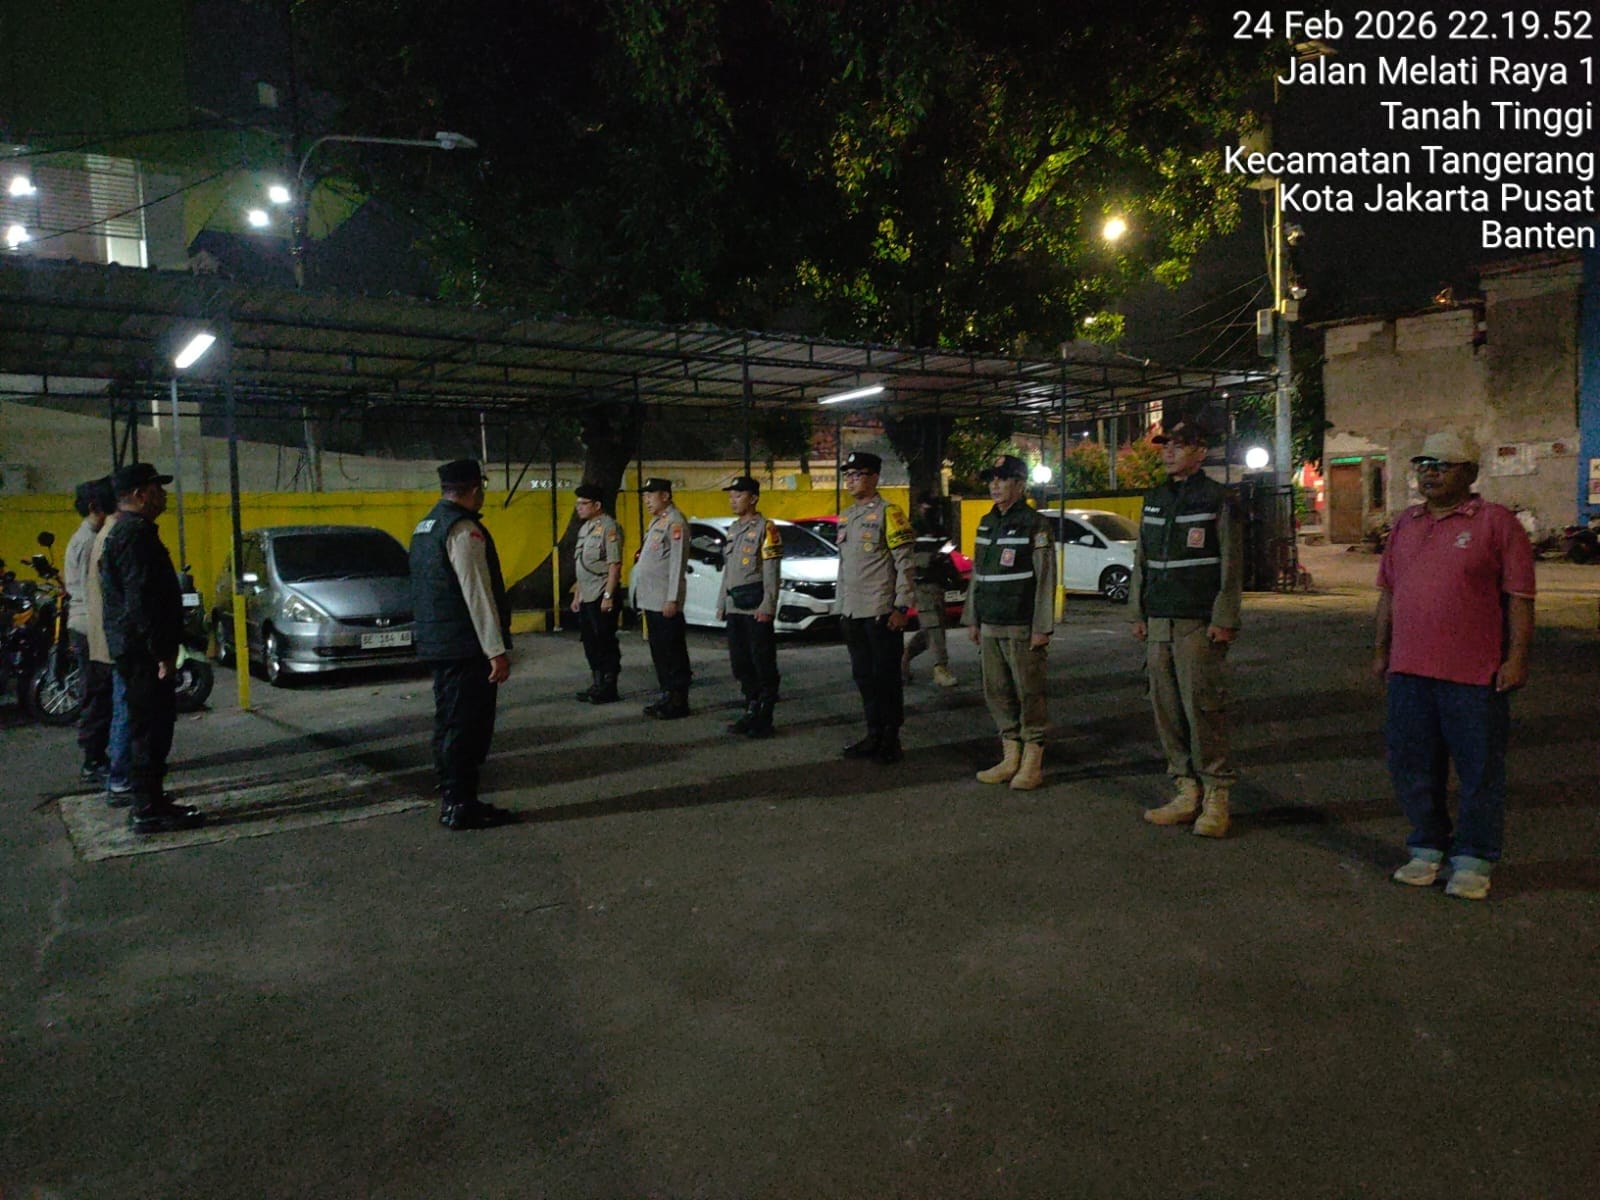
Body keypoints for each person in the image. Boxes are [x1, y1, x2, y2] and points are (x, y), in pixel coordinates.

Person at [1373, 430, 1534, 901]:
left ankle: (1474, 858)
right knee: (1412, 765)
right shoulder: (1406, 524)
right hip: (1410, 671)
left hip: (1473, 676)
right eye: (1424, 464)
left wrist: (1517, 658)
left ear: (1470, 473)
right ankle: (1426, 847)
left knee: (1479, 770)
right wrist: (1382, 651)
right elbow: (1388, 593)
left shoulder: (1497, 524)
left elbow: (1519, 598)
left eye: (1442, 465)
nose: (1430, 473)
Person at [1131, 416, 1243, 838]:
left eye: (1178, 445)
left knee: (1203, 707)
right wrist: (1138, 612)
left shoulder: (1218, 498)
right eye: (1165, 445)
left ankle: (1216, 795)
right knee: (1166, 707)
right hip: (1159, 619)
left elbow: (1231, 562)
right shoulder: (1154, 498)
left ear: (1200, 451)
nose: (1168, 452)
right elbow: (1141, 559)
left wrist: (1225, 617)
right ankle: (1185, 788)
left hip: (1198, 621)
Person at [98, 462, 204, 835]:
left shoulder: (129, 532)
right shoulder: (134, 536)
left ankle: (153, 801)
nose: (163, 495)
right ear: (140, 495)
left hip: (137, 649)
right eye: (157, 488)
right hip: (143, 654)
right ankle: (147, 809)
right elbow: (142, 599)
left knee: (151, 728)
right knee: (150, 731)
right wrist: (161, 653)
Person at [409, 459, 515, 831]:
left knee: (450, 720)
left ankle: (457, 797)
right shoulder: (462, 528)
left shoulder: (426, 526)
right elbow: (477, 594)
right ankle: (459, 804)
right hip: (465, 646)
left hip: (440, 641)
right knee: (467, 726)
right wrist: (495, 650)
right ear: (474, 489)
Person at [962, 455, 1056, 790]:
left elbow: (1045, 577)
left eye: (1002, 479)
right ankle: (1010, 755)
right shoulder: (987, 522)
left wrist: (1042, 626)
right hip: (990, 622)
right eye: (992, 479)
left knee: (1029, 692)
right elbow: (978, 573)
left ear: (1020, 484)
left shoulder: (1035, 524)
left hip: (1021, 624)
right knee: (997, 691)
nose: (994, 485)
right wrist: (972, 617)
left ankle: (1032, 760)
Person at [835, 451, 916, 763]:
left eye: (858, 474)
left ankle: (891, 738)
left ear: (875, 477)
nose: (851, 480)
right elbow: (844, 567)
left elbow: (904, 563)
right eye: (848, 475)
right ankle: (873, 733)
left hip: (881, 610)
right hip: (853, 611)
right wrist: (840, 607)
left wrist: (901, 606)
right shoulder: (846, 516)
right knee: (864, 677)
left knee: (886, 679)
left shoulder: (889, 513)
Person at [716, 475, 782, 738]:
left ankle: (764, 716)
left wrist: (768, 604)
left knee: (762, 663)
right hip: (735, 606)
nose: (733, 500)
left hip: (756, 608)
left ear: (753, 498)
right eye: (731, 496)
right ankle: (751, 708)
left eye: (738, 495)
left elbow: (772, 570)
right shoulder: (733, 529)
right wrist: (722, 602)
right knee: (740, 663)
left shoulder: (767, 528)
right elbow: (728, 570)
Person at [63, 476, 115, 783]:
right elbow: (92, 591)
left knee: (99, 693)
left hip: (87, 624)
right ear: (95, 506)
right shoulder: (87, 542)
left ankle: (98, 755)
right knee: (96, 694)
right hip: (88, 627)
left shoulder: (88, 537)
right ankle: (93, 759)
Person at [634, 477, 693, 719]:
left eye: (651, 495)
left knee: (672, 651)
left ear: (666, 496)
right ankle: (666, 695)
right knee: (659, 652)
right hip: (651, 599)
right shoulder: (657, 522)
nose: (647, 500)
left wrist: (672, 598)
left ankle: (678, 700)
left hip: (664, 601)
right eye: (645, 496)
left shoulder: (675, 522)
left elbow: (677, 564)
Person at [569, 483, 624, 705]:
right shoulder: (585, 528)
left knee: (604, 641)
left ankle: (609, 686)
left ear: (597, 505)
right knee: (590, 641)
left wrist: (608, 596)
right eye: (578, 504)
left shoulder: (610, 528)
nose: (579, 507)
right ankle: (597, 682)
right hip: (586, 594)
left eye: (584, 503)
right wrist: (577, 595)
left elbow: (614, 565)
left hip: (601, 593)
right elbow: (582, 565)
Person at [903, 493, 960, 689]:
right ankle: (940, 668)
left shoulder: (939, 529)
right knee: (934, 626)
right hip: (921, 585)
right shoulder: (912, 529)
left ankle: (903, 658)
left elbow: (946, 554)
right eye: (925, 505)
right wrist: (928, 560)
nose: (929, 509)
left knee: (931, 628)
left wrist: (954, 576)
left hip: (937, 585)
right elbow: (906, 558)